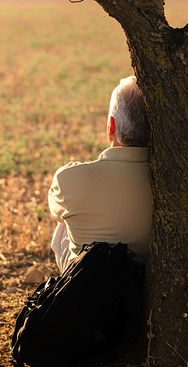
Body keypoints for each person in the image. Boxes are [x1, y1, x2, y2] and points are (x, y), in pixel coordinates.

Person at [48, 76, 153, 273]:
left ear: (111, 126)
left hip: (88, 282)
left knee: (64, 223)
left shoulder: (68, 178)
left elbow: (55, 213)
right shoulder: (172, 182)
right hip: (146, 280)